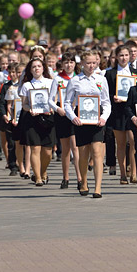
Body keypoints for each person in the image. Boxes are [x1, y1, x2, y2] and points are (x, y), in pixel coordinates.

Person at [64, 50, 111, 198]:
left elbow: (106, 102)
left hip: (97, 119)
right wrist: (73, 117)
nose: (91, 66)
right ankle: (83, 181)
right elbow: (67, 103)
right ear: (82, 63)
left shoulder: (101, 79)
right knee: (83, 153)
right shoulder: (75, 81)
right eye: (88, 63)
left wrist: (104, 117)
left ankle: (98, 188)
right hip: (81, 120)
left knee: (97, 152)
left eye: (94, 63)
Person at [104, 44, 137, 185]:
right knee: (120, 144)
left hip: (132, 112)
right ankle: (123, 173)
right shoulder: (110, 74)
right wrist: (114, 97)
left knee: (133, 142)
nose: (124, 58)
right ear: (116, 57)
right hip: (117, 112)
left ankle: (135, 172)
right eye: (121, 55)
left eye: (126, 55)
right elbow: (106, 94)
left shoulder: (136, 72)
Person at [18, 57, 55, 186]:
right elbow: (24, 105)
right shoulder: (26, 85)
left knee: (48, 152)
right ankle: (38, 177)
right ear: (30, 70)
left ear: (43, 68)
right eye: (34, 67)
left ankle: (43, 171)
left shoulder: (51, 82)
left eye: (39, 66)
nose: (36, 69)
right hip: (32, 119)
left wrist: (52, 107)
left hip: (48, 118)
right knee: (35, 148)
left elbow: (55, 100)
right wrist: (30, 109)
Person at [50, 52, 81, 190]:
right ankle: (66, 177)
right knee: (66, 149)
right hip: (62, 115)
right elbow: (50, 100)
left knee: (76, 146)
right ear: (62, 64)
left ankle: (80, 177)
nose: (69, 65)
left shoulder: (79, 78)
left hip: (75, 114)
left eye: (71, 62)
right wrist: (57, 109)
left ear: (75, 64)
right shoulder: (58, 79)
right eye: (66, 62)